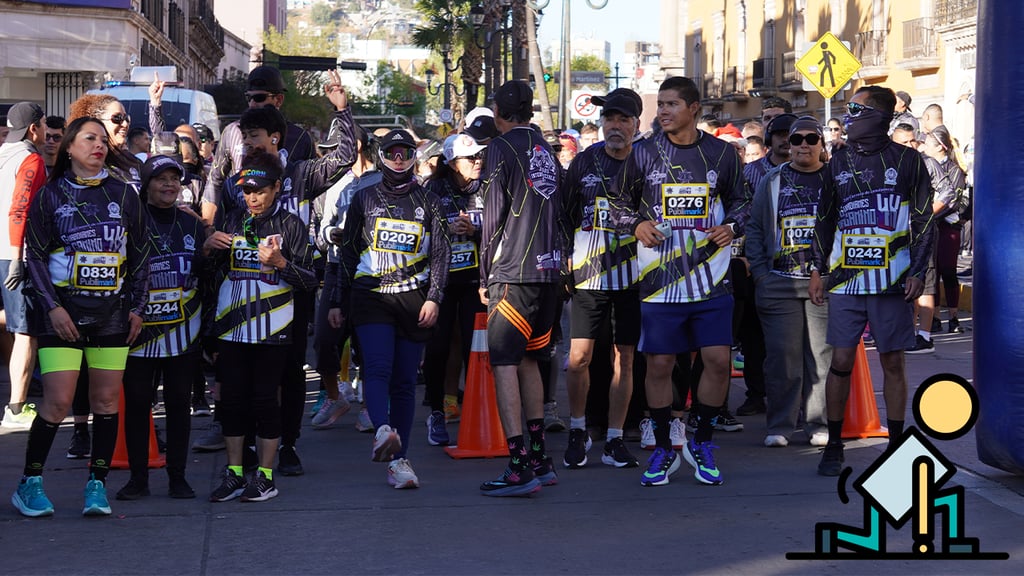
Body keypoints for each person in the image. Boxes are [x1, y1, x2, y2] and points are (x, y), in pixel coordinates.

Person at [609, 76, 749, 487]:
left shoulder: (722, 154)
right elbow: (616, 203)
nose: (663, 111)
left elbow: (742, 201)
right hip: (660, 281)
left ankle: (701, 442)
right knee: (660, 364)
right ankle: (665, 450)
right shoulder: (644, 153)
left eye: (671, 104)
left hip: (712, 279)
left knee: (719, 361)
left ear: (693, 108)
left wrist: (732, 226)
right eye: (661, 105)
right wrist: (636, 224)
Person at [214, 71, 354, 476]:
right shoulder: (235, 185)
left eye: (254, 138)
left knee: (290, 370)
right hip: (245, 292)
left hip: (293, 282)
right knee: (249, 375)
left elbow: (344, 157)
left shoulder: (301, 174)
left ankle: (286, 445)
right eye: (244, 139)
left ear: (274, 138)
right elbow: (222, 228)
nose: (247, 145)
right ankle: (248, 447)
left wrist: (341, 110)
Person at [12, 116, 150, 517]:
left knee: (106, 400)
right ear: (69, 147)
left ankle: (97, 485)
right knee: (56, 403)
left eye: (103, 140)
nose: (99, 145)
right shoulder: (50, 195)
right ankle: (30, 483)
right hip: (63, 315)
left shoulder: (124, 194)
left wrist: (137, 308)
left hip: (111, 315)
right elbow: (33, 256)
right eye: (89, 139)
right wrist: (52, 307)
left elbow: (141, 254)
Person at [810, 86, 935, 476]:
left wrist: (917, 271)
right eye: (847, 110)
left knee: (892, 361)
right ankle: (833, 445)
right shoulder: (837, 161)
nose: (848, 117)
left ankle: (897, 446)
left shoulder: (909, 160)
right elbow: (824, 219)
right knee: (842, 360)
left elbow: (924, 219)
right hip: (847, 282)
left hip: (892, 281)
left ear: (880, 118)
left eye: (856, 110)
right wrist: (818, 268)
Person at [328, 128, 450, 489]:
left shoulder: (430, 202)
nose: (399, 159)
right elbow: (346, 253)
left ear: (414, 157)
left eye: (405, 153)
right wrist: (337, 299)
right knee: (378, 367)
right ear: (381, 156)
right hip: (371, 296)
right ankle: (382, 429)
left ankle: (399, 462)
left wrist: (435, 298)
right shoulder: (363, 199)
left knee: (404, 382)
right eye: (392, 153)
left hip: (415, 300)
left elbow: (442, 253)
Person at [204, 150, 318, 502]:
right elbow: (208, 274)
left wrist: (282, 262)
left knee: (266, 401)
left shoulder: (292, 225)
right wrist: (207, 248)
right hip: (233, 328)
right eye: (247, 191)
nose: (252, 197)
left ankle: (266, 476)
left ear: (277, 188)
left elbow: (311, 281)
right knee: (233, 402)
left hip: (273, 331)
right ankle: (236, 472)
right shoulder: (233, 219)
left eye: (260, 190)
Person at [477, 80, 564, 496]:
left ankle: (517, 466)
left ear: (499, 111)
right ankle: (540, 458)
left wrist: (483, 275)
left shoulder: (499, 147)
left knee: (505, 364)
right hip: (550, 273)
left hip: (512, 272)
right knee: (531, 361)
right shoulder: (548, 149)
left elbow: (492, 216)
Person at [562, 88, 643, 470]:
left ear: (635, 125)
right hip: (587, 278)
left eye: (623, 119)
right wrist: (563, 258)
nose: (615, 126)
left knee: (623, 359)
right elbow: (563, 214)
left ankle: (614, 437)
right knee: (578, 359)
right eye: (609, 119)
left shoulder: (645, 164)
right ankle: (578, 430)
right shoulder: (582, 162)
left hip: (631, 279)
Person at [117, 155, 206, 500]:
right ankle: (138, 479)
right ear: (146, 184)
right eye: (161, 179)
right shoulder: (130, 220)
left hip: (183, 331)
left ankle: (178, 477)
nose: (169, 185)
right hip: (140, 332)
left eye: (175, 179)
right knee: (139, 404)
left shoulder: (192, 224)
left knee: (179, 404)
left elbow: (201, 272)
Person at [746, 116, 831, 448]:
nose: (804, 145)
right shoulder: (772, 180)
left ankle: (817, 424)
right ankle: (780, 424)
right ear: (788, 146)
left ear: (822, 145)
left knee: (821, 357)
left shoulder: (834, 180)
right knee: (783, 357)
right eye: (797, 140)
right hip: (779, 282)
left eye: (812, 139)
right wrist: (762, 274)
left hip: (823, 283)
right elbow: (754, 229)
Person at [421, 133, 487, 445]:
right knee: (437, 347)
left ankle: (482, 410)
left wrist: (476, 231)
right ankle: (436, 411)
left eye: (477, 156)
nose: (476, 161)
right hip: (442, 282)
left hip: (477, 283)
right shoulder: (433, 188)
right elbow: (419, 234)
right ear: (451, 163)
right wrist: (444, 230)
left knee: (478, 349)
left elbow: (502, 231)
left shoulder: (488, 185)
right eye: (469, 157)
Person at [313, 122, 379, 429]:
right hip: (336, 267)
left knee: (367, 342)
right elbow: (321, 232)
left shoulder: (382, 179)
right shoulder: (333, 183)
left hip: (372, 271)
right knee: (325, 340)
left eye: (340, 145)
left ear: (358, 145)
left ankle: (370, 405)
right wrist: (332, 234)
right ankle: (334, 395)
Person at [201, 65, 316, 226]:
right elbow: (215, 180)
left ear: (279, 99)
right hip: (243, 225)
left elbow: (312, 189)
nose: (253, 103)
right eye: (249, 98)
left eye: (260, 98)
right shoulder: (231, 132)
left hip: (286, 229)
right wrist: (208, 227)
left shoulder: (300, 137)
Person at [0, 102, 47, 432]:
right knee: (25, 332)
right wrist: (18, 257)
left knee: (10, 323)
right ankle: (16, 407)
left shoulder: (3, 156)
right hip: (18, 254)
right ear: (34, 128)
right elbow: (20, 210)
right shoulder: (30, 159)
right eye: (44, 125)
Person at [920, 126, 967, 336]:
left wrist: (927, 214)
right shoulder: (923, 163)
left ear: (940, 146)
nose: (924, 146)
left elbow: (952, 200)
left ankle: (954, 316)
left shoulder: (955, 170)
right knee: (933, 271)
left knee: (948, 270)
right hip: (929, 224)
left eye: (928, 143)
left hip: (946, 225)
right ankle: (936, 317)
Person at [67, 93, 142, 182]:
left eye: (127, 119)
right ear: (97, 122)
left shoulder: (132, 161)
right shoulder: (86, 164)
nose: (125, 124)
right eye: (117, 118)